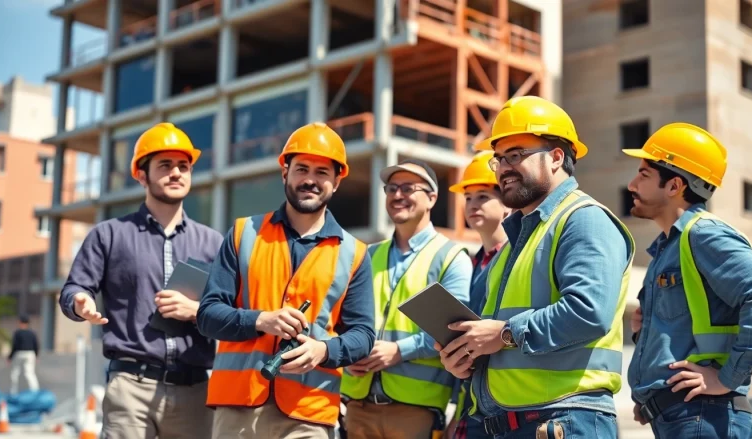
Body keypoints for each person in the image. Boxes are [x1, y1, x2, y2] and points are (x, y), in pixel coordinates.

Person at [436, 95, 635, 438]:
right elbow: (497, 340)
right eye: (500, 159)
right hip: (512, 422)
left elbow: (589, 312)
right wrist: (466, 357)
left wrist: (502, 333)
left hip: (566, 419)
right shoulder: (518, 240)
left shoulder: (583, 220)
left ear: (557, 157)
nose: (503, 168)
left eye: (516, 155)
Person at [196, 122, 375, 439]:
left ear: (337, 182)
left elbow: (363, 335)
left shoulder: (355, 254)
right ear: (285, 173)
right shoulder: (243, 234)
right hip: (238, 407)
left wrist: (323, 350)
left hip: (309, 413)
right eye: (302, 169)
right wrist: (262, 319)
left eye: (322, 172)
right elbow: (208, 315)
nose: (310, 179)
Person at [58, 122, 224, 439]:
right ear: (141, 174)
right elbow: (74, 288)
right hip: (131, 387)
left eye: (183, 166)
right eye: (165, 165)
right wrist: (80, 302)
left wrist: (197, 310)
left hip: (195, 391)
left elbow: (232, 309)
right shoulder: (108, 235)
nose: (176, 173)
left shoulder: (212, 242)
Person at [623, 123, 752, 438]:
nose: (631, 184)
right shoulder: (669, 247)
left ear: (674, 186)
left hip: (705, 414)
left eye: (643, 174)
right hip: (684, 417)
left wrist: (725, 379)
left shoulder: (704, 234)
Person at [340, 158, 473, 439]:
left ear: (432, 198)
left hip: (415, 410)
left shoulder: (451, 258)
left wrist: (398, 351)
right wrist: (347, 352)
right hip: (357, 405)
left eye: (408, 188)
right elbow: (343, 318)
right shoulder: (368, 256)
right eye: (391, 188)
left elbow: (454, 330)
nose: (397, 195)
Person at [445, 151, 511, 439]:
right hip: (472, 396)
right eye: (468, 197)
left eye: (483, 196)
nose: (472, 205)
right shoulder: (471, 263)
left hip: (506, 399)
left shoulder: (516, 258)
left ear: (507, 203)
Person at [8, 314, 39, 394]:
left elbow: (14, 345)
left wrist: (10, 357)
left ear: (20, 322)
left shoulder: (17, 333)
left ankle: (13, 391)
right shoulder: (32, 333)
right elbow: (36, 344)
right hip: (30, 354)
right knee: (29, 372)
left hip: (19, 353)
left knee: (15, 372)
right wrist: (36, 355)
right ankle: (35, 391)